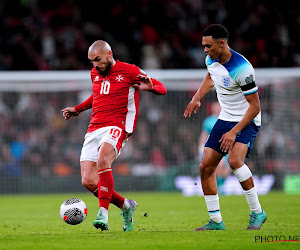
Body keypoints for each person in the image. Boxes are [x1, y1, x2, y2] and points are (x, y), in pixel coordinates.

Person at [62, 40, 167, 231]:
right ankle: (126, 206)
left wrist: (151, 87)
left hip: (118, 125)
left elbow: (161, 87)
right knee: (88, 180)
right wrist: (78, 109)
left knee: (103, 159)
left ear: (109, 54)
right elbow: (98, 95)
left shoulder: (129, 71)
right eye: (92, 61)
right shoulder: (95, 73)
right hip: (95, 127)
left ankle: (103, 214)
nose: (95, 65)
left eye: (98, 60)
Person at [184, 24, 267, 231]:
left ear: (222, 43)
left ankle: (258, 212)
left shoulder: (243, 69)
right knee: (205, 167)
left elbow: (255, 107)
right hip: (226, 118)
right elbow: (211, 77)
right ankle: (216, 221)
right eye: (203, 46)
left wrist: (234, 131)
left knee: (234, 161)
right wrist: (197, 98)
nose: (205, 50)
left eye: (208, 46)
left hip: (247, 118)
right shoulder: (210, 59)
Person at [198, 101, 230, 195]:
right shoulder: (209, 121)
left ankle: (221, 187)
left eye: (219, 107)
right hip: (213, 148)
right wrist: (200, 148)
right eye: (215, 107)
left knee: (226, 170)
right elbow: (204, 135)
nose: (217, 109)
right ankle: (216, 188)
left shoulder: (227, 119)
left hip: (226, 147)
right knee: (218, 167)